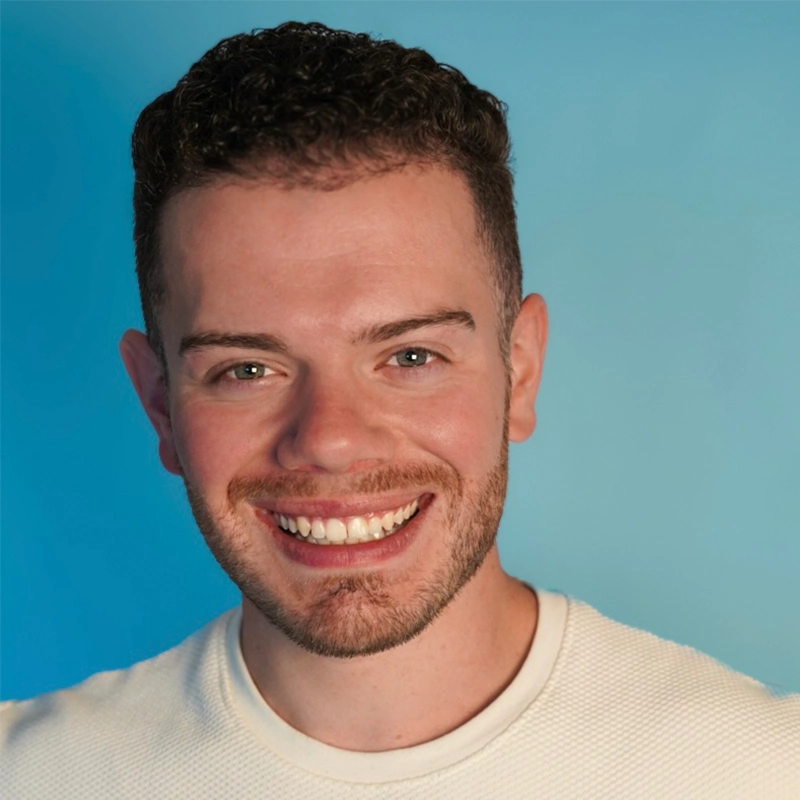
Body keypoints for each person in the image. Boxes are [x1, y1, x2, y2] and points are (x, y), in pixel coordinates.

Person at [2, 21, 798, 799]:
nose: (333, 440)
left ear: (518, 371)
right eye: (248, 369)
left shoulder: (761, 770)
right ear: (158, 404)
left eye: (411, 357)